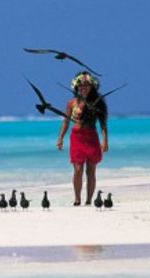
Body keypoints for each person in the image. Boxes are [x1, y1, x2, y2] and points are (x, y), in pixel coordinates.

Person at [56, 71, 108, 206]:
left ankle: (89, 200)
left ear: (92, 87)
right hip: (77, 137)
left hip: (91, 137)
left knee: (91, 170)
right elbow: (66, 122)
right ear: (76, 87)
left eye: (87, 85)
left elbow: (102, 123)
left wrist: (105, 140)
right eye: (81, 86)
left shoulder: (97, 102)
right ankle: (77, 198)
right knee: (78, 169)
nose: (83, 88)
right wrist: (60, 138)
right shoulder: (71, 103)